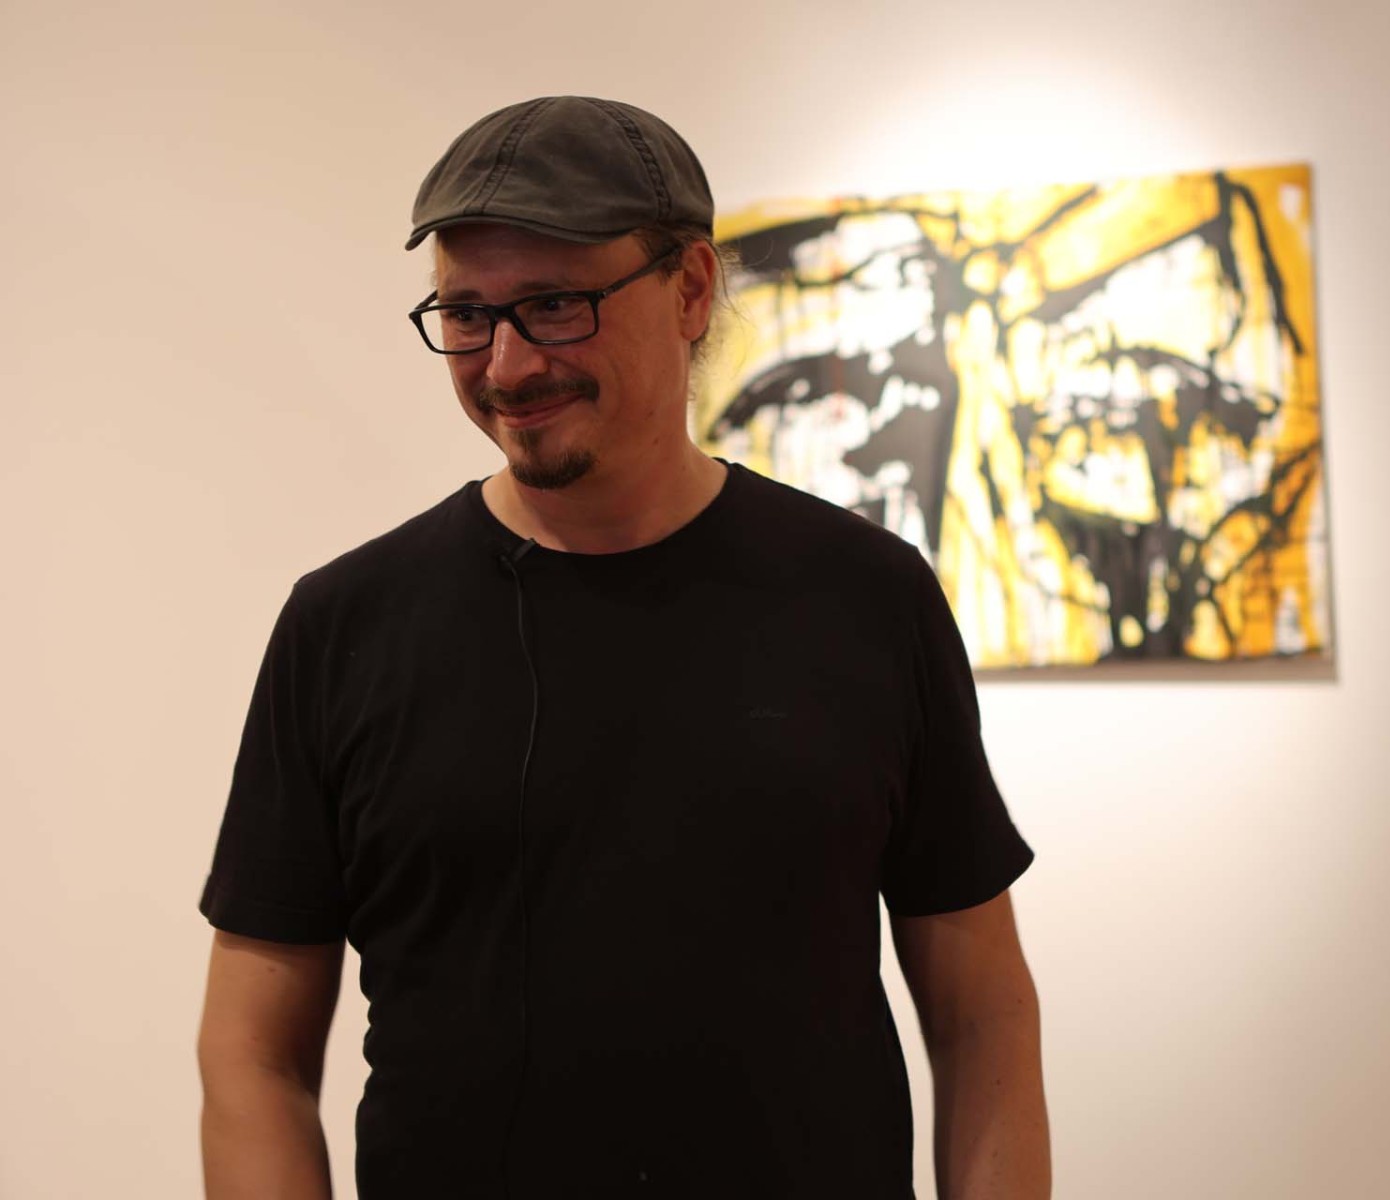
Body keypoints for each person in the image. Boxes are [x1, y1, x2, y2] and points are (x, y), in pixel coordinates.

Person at [195, 96, 1049, 1199]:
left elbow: (983, 1017)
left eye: (555, 305)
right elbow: (251, 1052)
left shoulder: (868, 597)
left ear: (690, 288)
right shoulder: (344, 624)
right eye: (466, 314)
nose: (506, 366)